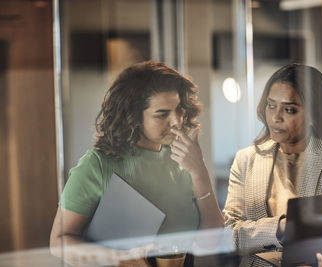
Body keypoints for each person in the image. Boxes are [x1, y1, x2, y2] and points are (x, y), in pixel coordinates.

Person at [50, 61, 224, 267]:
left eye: (179, 109)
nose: (177, 121)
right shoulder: (97, 164)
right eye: (162, 114)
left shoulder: (184, 160)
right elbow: (59, 242)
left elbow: (211, 243)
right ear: (134, 117)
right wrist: (119, 259)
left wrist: (200, 172)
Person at [223, 63, 322, 267]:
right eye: (271, 105)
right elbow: (228, 235)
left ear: (312, 115)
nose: (275, 117)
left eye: (289, 109)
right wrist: (281, 228)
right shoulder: (246, 160)